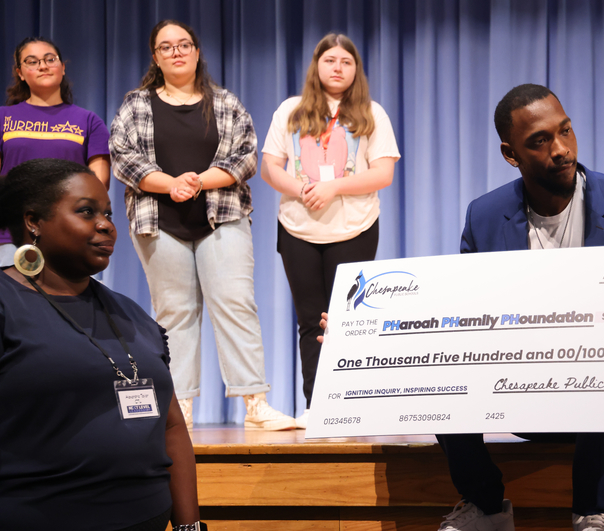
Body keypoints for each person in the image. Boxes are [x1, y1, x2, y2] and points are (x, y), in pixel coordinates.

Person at [401, 84, 604, 531]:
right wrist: (358, 331)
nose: (561, 149)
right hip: (522, 391)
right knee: (444, 364)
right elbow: (463, 314)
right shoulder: (484, 216)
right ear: (510, 154)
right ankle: (485, 509)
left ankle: (596, 513)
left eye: (565, 131)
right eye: (540, 141)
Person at [0, 158, 244, 531]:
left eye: (108, 214)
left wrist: (188, 530)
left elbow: (171, 426)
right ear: (33, 221)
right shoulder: (6, 303)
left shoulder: (130, 313)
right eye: (86, 212)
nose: (106, 225)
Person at [110, 19, 295, 430]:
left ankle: (255, 404)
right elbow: (123, 157)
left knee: (235, 303)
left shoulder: (226, 103)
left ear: (196, 52)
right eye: (166, 47)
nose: (176, 52)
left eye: (184, 45)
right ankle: (181, 409)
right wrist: (170, 185)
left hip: (222, 217)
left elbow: (246, 156)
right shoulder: (136, 105)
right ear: (155, 57)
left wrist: (195, 182)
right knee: (174, 313)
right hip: (159, 221)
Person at [261, 33, 400, 430]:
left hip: (355, 229)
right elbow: (270, 166)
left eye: (346, 62)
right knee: (310, 322)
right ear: (316, 65)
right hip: (298, 230)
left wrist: (333, 186)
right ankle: (317, 406)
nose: (337, 68)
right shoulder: (290, 110)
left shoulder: (372, 113)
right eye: (330, 60)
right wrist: (302, 190)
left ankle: (351, 407)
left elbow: (383, 173)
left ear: (356, 70)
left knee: (347, 323)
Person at [0, 36, 110, 268]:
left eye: (50, 59)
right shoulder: (3, 117)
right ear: (20, 73)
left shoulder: (88, 121)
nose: (43, 66)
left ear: (62, 67)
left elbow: (98, 185)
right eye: (32, 61)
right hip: (11, 235)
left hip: (68, 235)